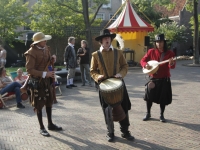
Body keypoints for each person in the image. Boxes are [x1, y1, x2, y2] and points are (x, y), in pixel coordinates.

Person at [90, 29, 134, 142]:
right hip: (104, 87)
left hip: (119, 84)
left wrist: (121, 74)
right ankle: (110, 132)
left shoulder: (118, 52)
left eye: (109, 38)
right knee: (107, 110)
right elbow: (92, 71)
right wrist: (97, 76)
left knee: (123, 108)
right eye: (105, 38)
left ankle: (125, 131)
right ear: (101, 41)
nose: (107, 39)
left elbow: (125, 66)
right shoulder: (95, 55)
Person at [24, 32, 62, 136]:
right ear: (38, 42)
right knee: (39, 104)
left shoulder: (46, 49)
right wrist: (45, 73)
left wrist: (52, 59)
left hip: (47, 81)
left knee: (49, 102)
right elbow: (29, 69)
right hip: (37, 82)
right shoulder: (31, 52)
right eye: (44, 40)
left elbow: (47, 62)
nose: (45, 41)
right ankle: (41, 127)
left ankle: (50, 124)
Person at [140, 33, 176, 122]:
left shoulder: (169, 53)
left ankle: (161, 115)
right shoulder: (151, 51)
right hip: (153, 79)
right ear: (155, 43)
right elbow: (143, 60)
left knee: (163, 98)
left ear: (164, 42)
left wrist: (171, 63)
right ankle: (148, 113)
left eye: (161, 42)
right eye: (157, 42)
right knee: (149, 97)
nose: (159, 44)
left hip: (164, 79)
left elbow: (172, 67)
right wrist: (146, 65)